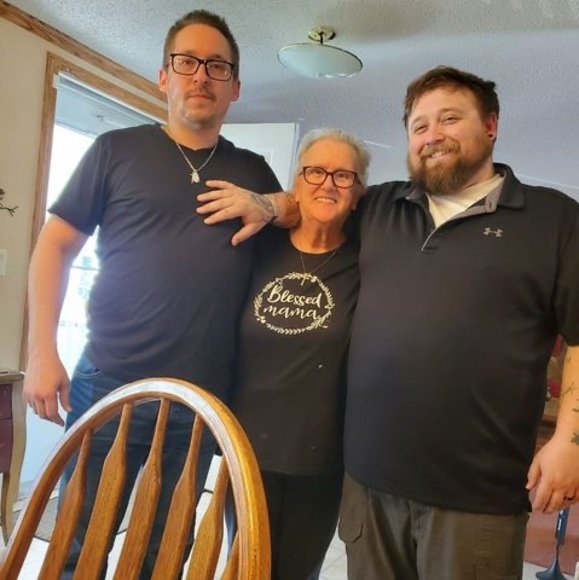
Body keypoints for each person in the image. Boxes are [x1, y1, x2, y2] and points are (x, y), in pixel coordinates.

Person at [197, 66, 579, 579]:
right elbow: (317, 197)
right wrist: (265, 204)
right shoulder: (381, 206)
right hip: (368, 488)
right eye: (419, 125)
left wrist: (569, 441)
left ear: (491, 125)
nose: (432, 135)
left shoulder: (554, 219)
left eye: (449, 118)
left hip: (476, 498)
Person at [23, 9, 281, 577]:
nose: (201, 75)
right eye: (187, 62)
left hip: (203, 402)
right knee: (76, 548)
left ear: (235, 87)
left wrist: (271, 202)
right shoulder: (115, 150)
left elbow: (305, 218)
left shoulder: (254, 171)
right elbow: (53, 247)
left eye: (217, 66)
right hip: (108, 385)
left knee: (163, 555)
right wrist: (41, 351)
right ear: (164, 77)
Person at [231, 128, 369, 579]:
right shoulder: (258, 246)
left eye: (343, 175)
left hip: (321, 461)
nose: (328, 183)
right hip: (246, 452)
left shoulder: (368, 262)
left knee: (296, 573)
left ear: (358, 193)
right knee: (246, 569)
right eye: (315, 171)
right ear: (296, 182)